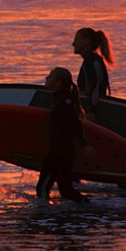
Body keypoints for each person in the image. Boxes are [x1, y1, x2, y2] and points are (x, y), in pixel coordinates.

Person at [36, 67, 86, 203]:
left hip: (59, 154)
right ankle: (86, 208)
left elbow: (75, 124)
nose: (46, 79)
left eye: (49, 77)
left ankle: (44, 217)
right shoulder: (60, 100)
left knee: (42, 189)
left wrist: (84, 144)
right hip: (61, 152)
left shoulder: (64, 102)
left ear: (58, 83)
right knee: (66, 191)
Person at [72, 27, 114, 119]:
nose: (73, 44)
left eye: (76, 39)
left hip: (92, 111)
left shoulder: (91, 61)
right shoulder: (91, 60)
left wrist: (90, 110)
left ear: (86, 41)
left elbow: (94, 87)